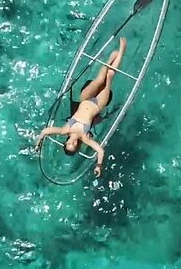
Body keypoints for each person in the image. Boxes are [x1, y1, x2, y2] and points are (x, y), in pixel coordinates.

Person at [34, 37, 127, 178]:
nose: (73, 142)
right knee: (109, 77)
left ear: (65, 143)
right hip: (97, 104)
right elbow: (100, 150)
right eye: (74, 145)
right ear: (76, 146)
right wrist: (99, 166)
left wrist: (38, 143)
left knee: (99, 78)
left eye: (69, 143)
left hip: (85, 99)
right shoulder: (85, 138)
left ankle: (109, 61)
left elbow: (46, 131)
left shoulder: (65, 129)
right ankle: (121, 50)